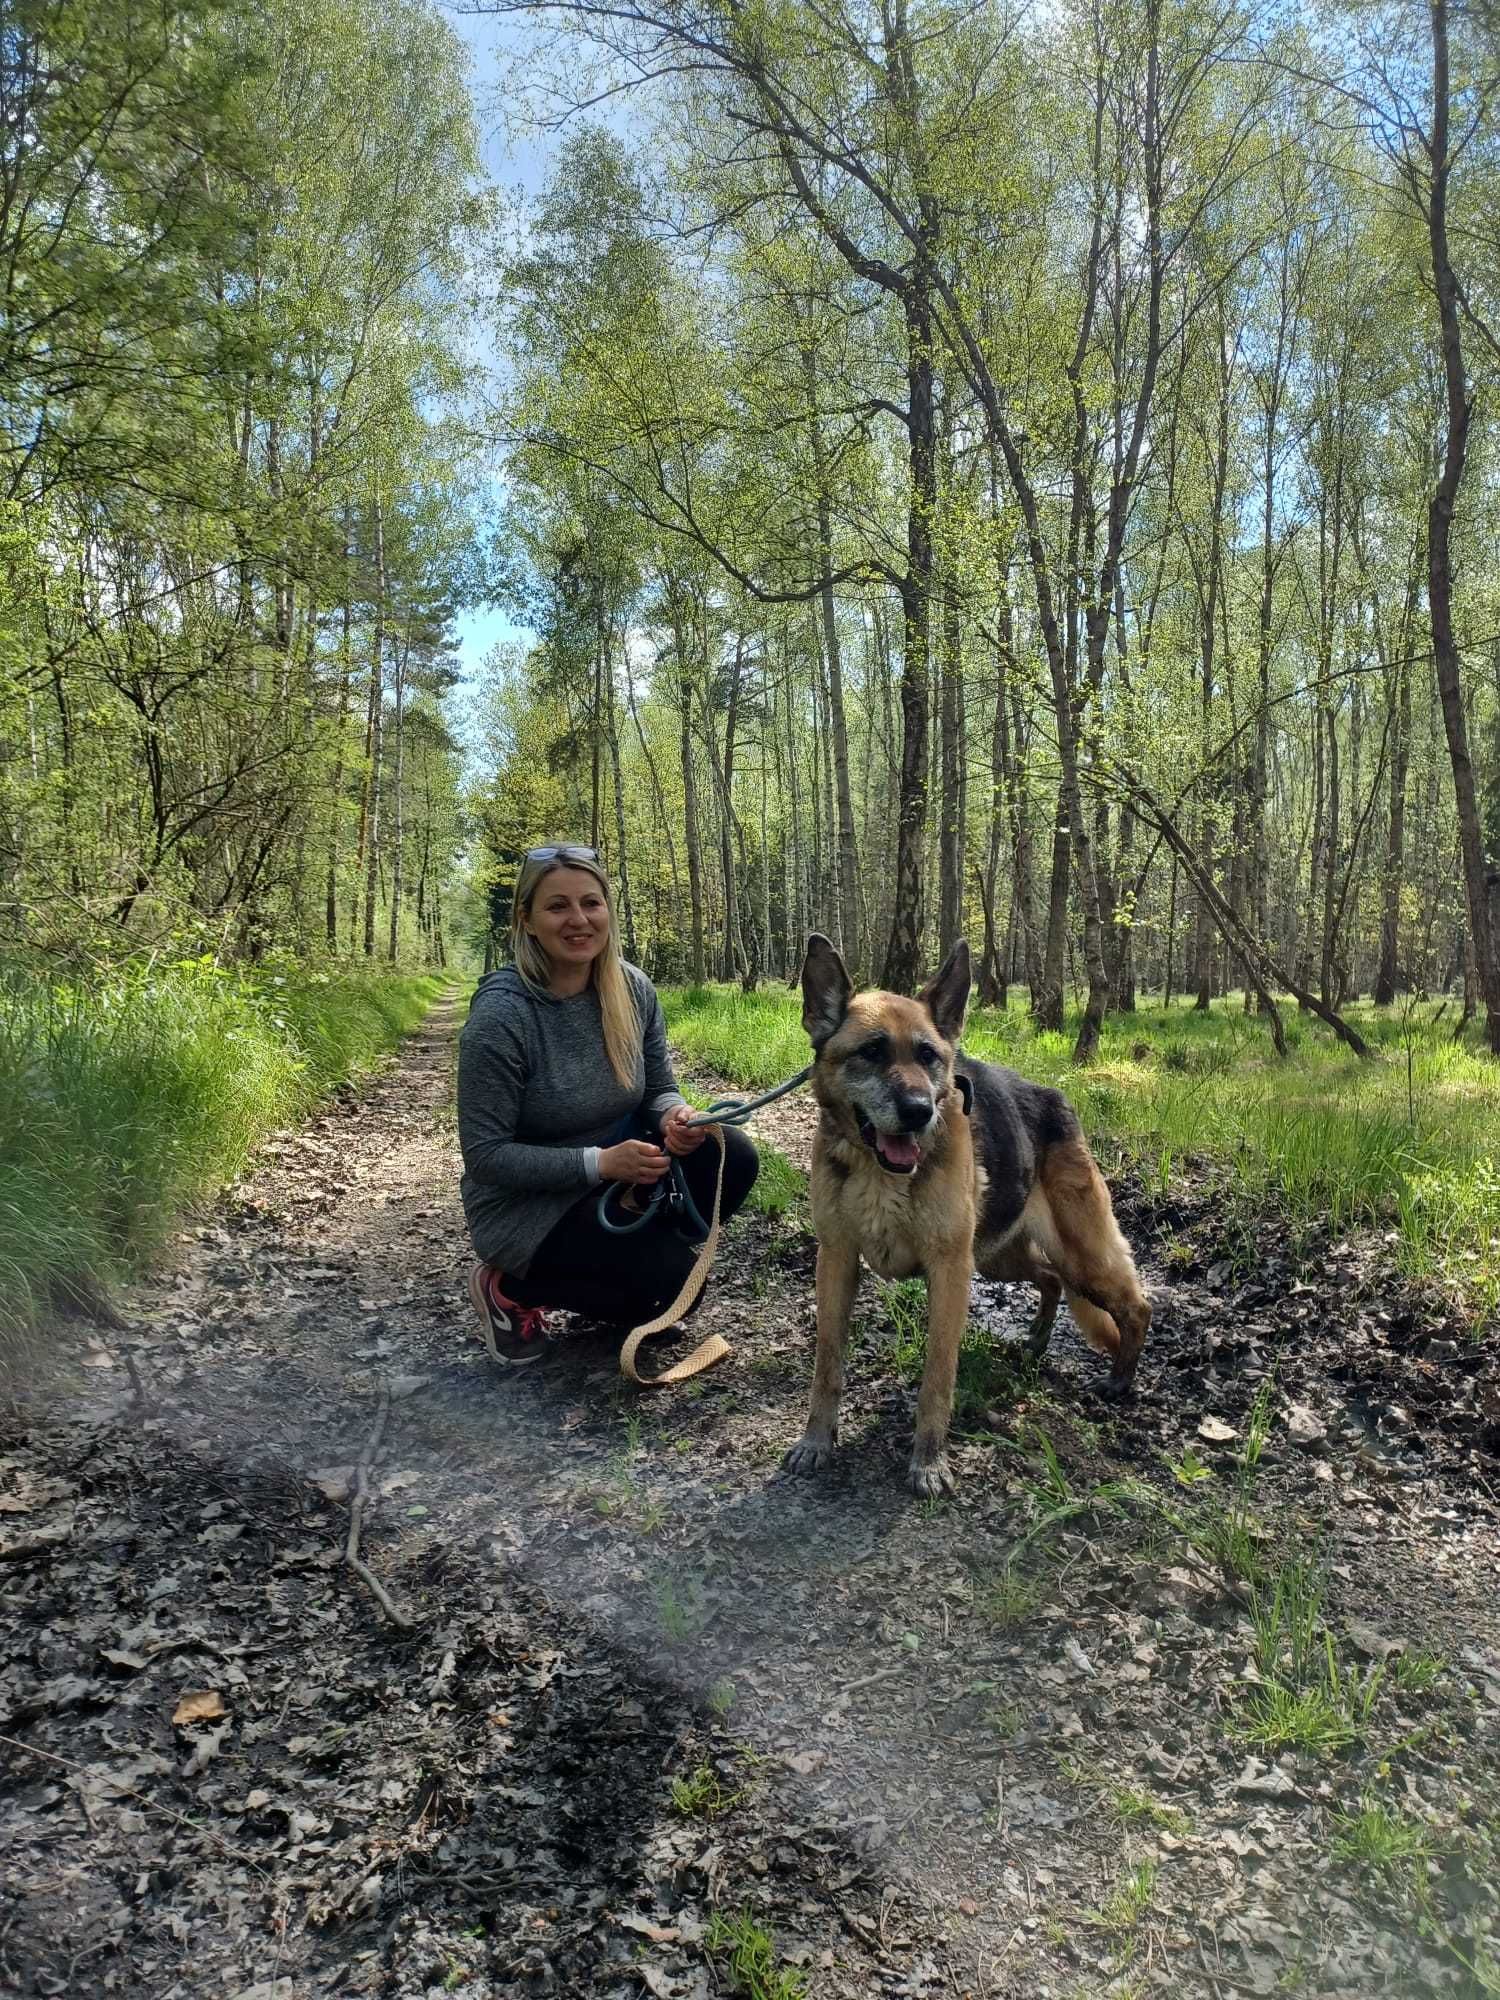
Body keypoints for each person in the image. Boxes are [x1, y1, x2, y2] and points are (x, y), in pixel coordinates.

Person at [457, 843, 759, 1363]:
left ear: (607, 910)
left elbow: (659, 1087)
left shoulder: (632, 988)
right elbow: (486, 1157)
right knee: (674, 1290)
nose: (578, 920)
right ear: (527, 920)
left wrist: (673, 1117)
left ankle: (635, 1261)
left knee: (731, 1152)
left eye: (590, 903)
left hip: (616, 1176)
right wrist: (600, 1164)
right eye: (558, 906)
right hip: (526, 1208)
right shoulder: (501, 1020)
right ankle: (510, 1289)